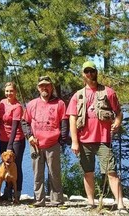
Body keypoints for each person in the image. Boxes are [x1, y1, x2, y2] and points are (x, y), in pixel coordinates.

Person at [66, 61, 128, 213]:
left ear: (96, 72)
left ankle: (120, 204)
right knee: (88, 173)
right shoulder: (78, 95)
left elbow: (118, 112)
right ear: (83, 74)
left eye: (92, 71)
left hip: (103, 140)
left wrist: (117, 122)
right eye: (86, 71)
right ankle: (91, 203)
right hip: (84, 140)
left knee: (111, 172)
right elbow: (72, 118)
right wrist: (74, 141)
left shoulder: (109, 92)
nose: (89, 74)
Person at [21, 75, 68, 207]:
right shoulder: (31, 104)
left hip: (53, 143)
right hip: (35, 144)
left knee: (54, 173)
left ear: (51, 87)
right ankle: (39, 200)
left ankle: (57, 200)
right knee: (37, 173)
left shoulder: (59, 103)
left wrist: (62, 140)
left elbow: (64, 122)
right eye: (42, 86)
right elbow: (24, 121)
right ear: (38, 88)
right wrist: (29, 136)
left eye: (47, 85)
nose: (44, 88)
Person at [0, 82, 25, 201]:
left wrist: (9, 146)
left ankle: (17, 192)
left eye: (11, 91)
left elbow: (14, 127)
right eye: (7, 91)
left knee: (16, 166)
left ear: (15, 92)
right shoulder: (2, 103)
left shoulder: (17, 106)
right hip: (2, 138)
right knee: (5, 165)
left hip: (16, 140)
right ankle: (6, 192)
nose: (9, 93)